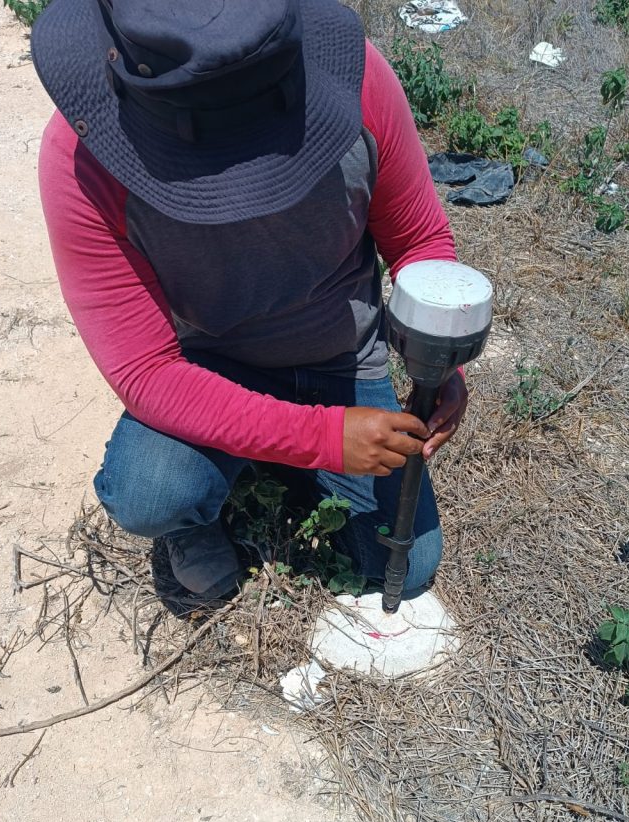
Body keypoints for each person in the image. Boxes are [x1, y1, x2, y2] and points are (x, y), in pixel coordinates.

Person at [32, 0, 465, 600]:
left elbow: (419, 239)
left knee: (408, 566)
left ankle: (261, 456)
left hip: (343, 358)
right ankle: (206, 508)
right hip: (209, 366)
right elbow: (147, 371)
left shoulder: (360, 82)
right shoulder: (83, 160)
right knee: (152, 493)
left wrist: (441, 352)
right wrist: (324, 438)